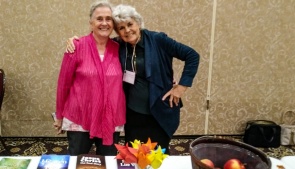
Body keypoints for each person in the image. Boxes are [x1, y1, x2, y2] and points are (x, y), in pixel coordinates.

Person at [66, 4, 199, 154]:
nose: (127, 30)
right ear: (117, 31)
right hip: (133, 114)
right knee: (133, 155)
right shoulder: (119, 45)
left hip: (159, 112)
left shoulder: (158, 40)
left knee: (158, 155)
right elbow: (97, 42)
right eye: (121, 28)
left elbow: (192, 56)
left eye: (130, 24)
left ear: (138, 22)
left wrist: (181, 87)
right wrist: (75, 41)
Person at [54, 1, 126, 156]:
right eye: (99, 19)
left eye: (108, 19)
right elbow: (63, 84)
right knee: (77, 160)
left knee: (108, 162)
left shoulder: (120, 48)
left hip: (111, 118)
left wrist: (167, 79)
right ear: (91, 23)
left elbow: (138, 65)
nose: (104, 23)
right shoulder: (76, 46)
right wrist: (59, 115)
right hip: (80, 116)